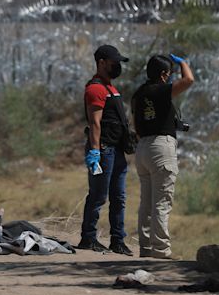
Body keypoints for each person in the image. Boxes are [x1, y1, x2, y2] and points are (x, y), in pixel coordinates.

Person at [131, 54, 194, 259]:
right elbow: (189, 81)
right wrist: (183, 62)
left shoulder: (138, 94)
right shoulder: (162, 89)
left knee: (146, 203)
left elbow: (137, 125)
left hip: (142, 148)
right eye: (169, 73)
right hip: (161, 147)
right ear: (164, 74)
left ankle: (146, 248)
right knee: (162, 202)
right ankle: (161, 250)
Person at [77, 44, 133, 256]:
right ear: (101, 63)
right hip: (103, 151)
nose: (117, 66)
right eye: (114, 62)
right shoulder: (95, 89)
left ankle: (118, 241)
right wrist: (94, 151)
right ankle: (88, 238)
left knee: (119, 198)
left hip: (116, 152)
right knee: (99, 196)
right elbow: (95, 123)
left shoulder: (111, 88)